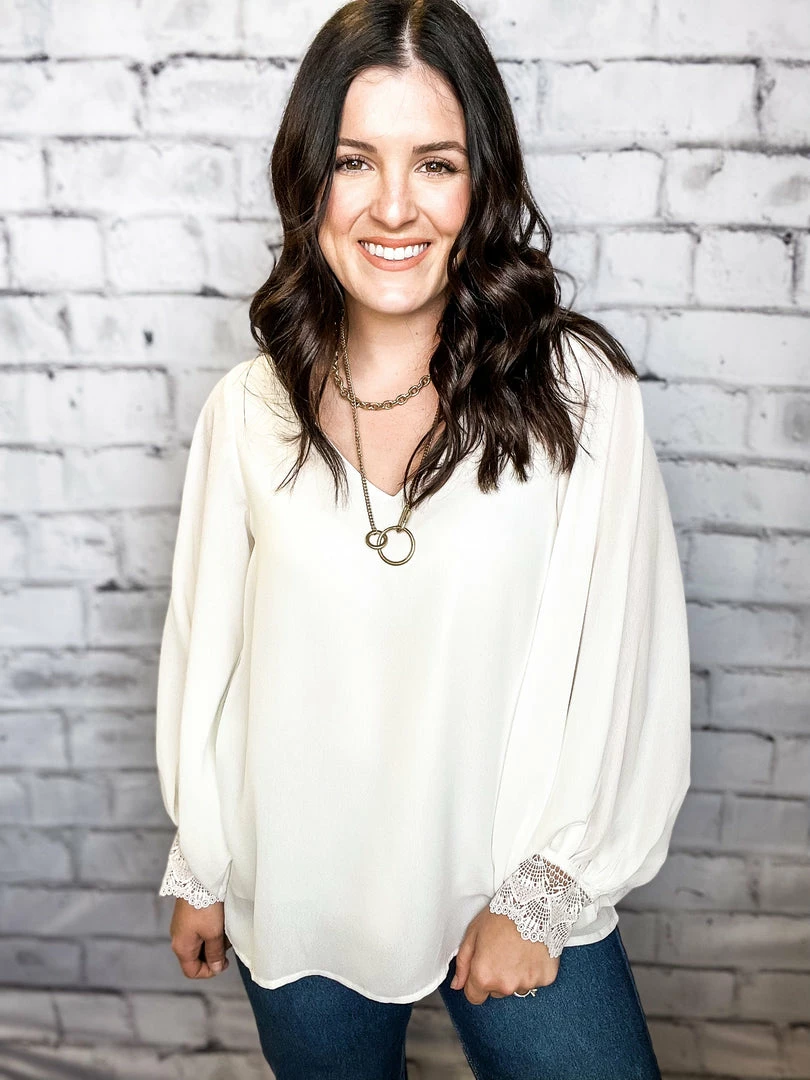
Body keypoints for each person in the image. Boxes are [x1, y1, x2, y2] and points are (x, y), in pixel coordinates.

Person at [154, 1, 691, 1076]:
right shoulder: (247, 411)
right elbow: (210, 662)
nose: (394, 207)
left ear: (482, 181)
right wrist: (202, 864)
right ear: (309, 179)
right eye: (355, 161)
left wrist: (546, 892)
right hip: (300, 887)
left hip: (512, 876)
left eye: (435, 164)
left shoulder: (579, 393)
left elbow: (624, 662)